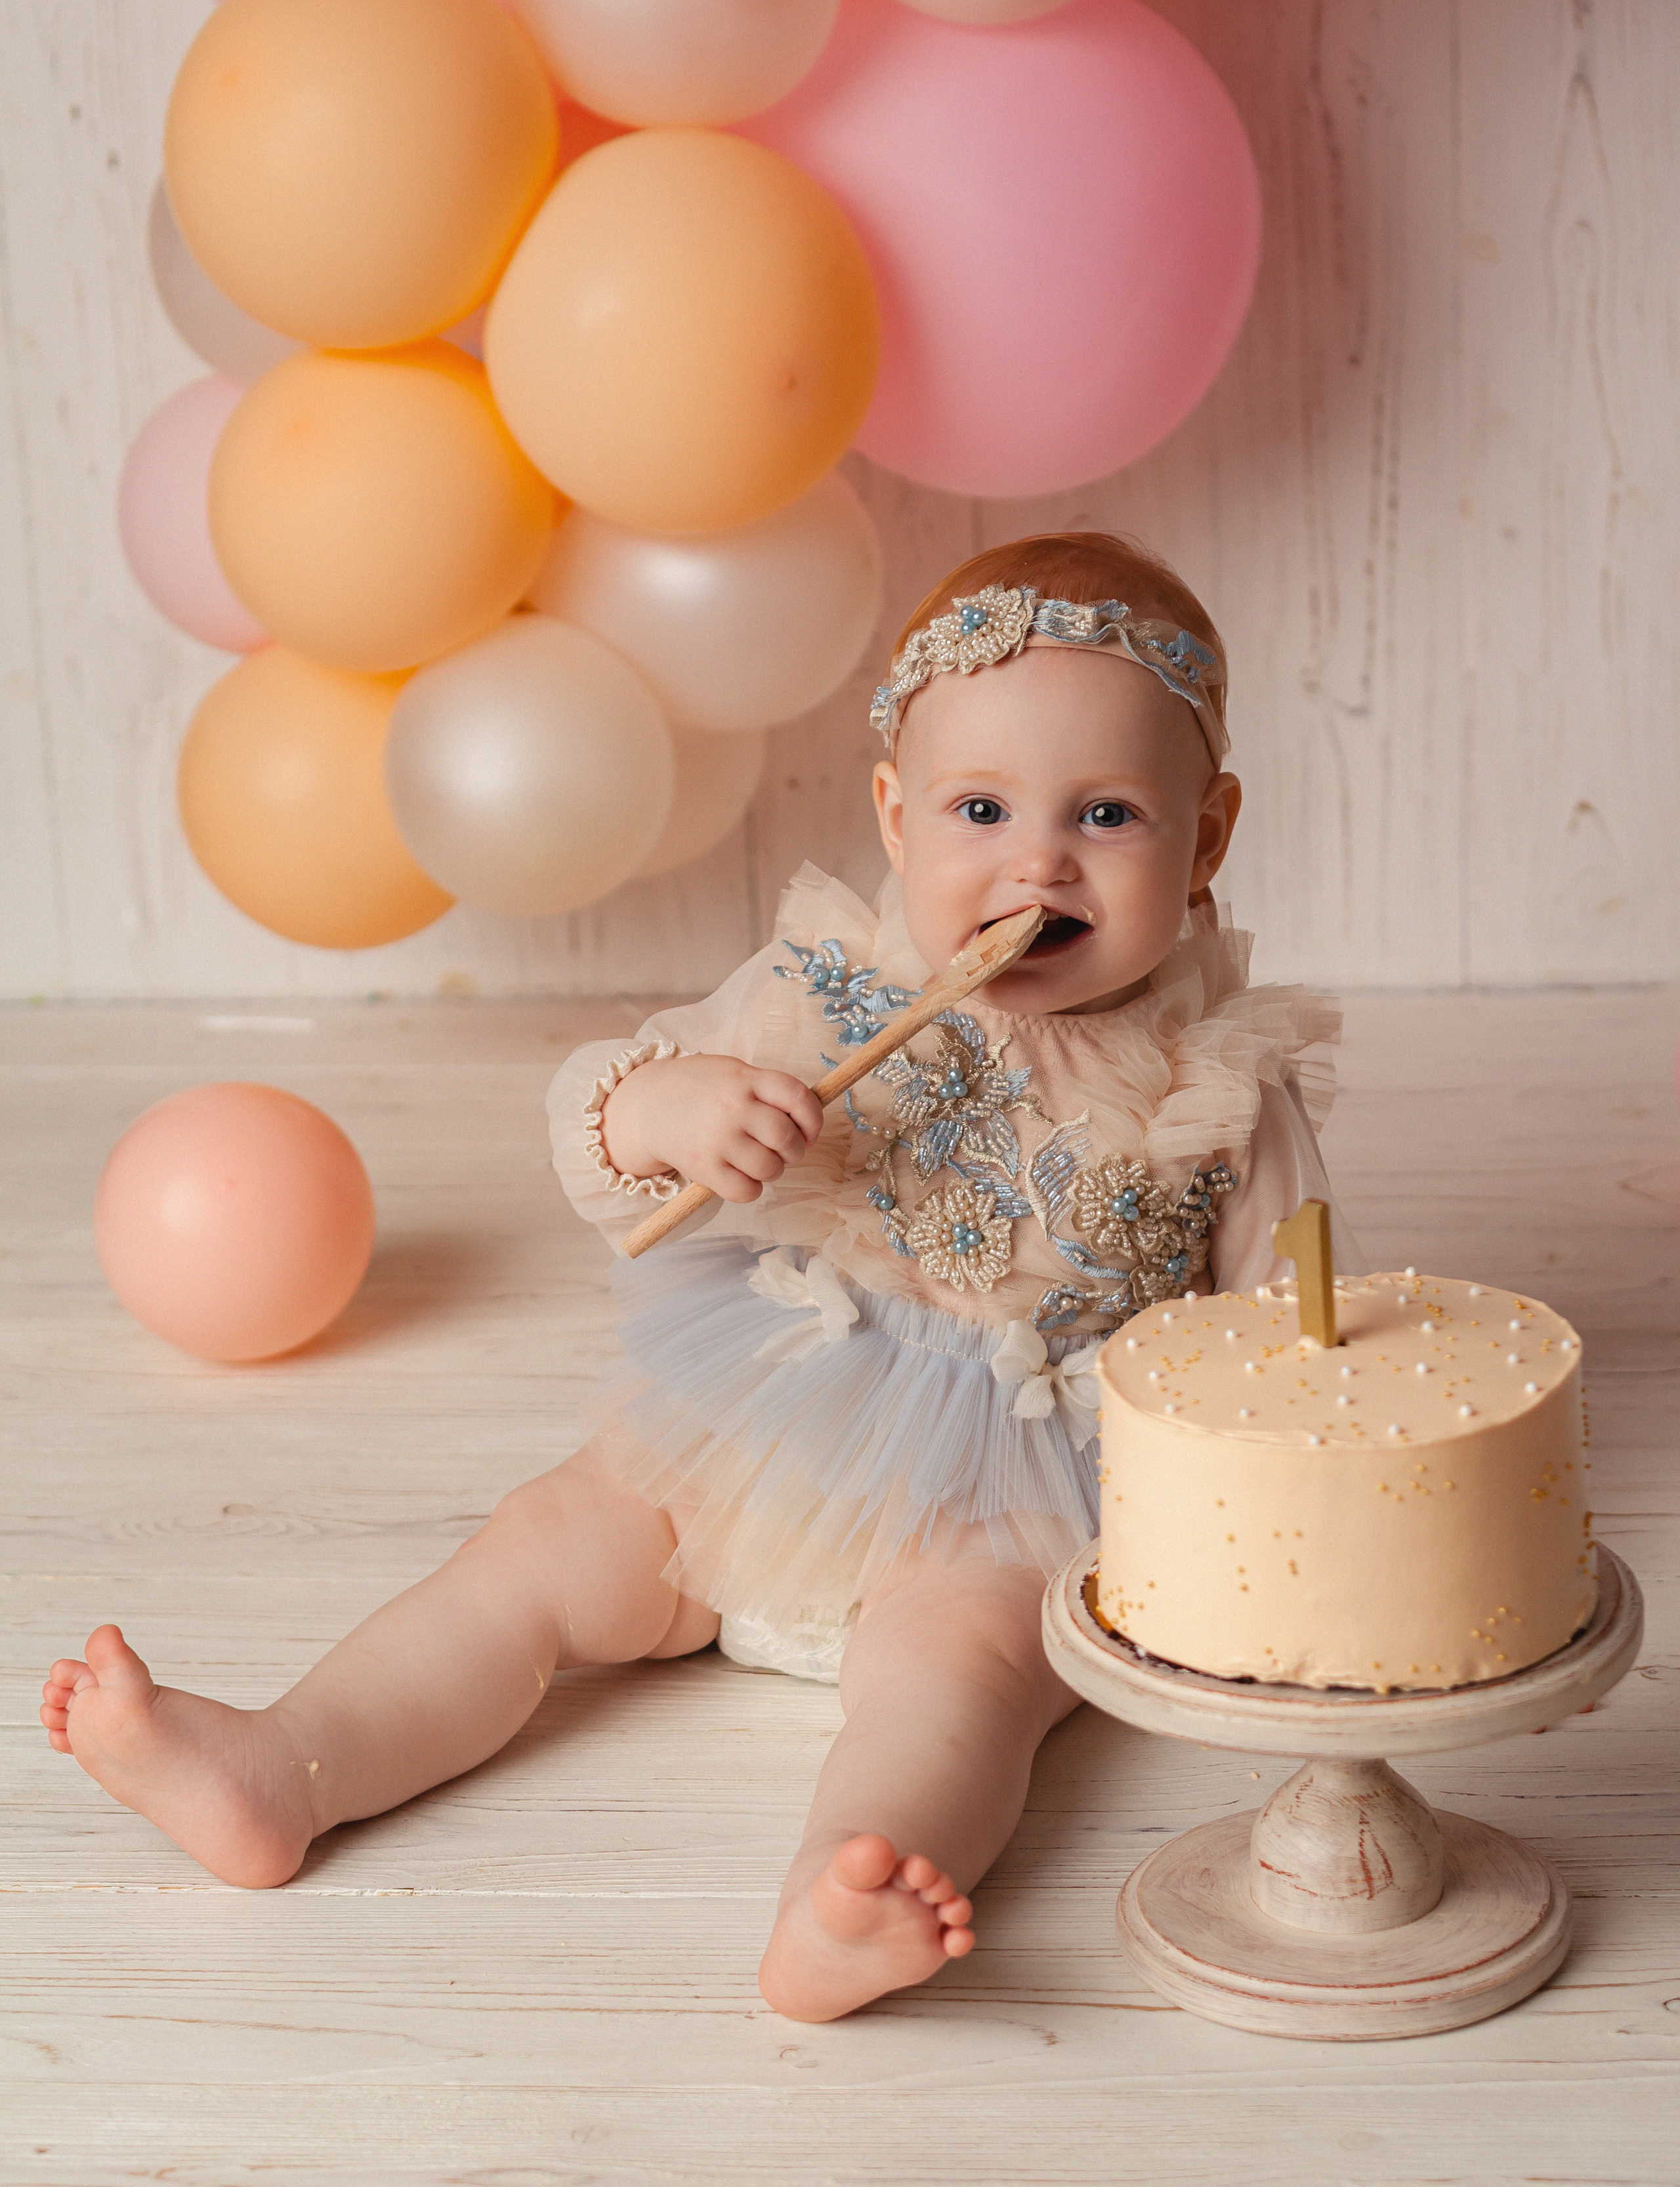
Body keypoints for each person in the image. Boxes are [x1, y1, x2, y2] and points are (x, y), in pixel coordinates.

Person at [40, 530, 1356, 2022]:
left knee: (962, 1686)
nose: (1033, 862)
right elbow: (596, 1115)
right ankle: (286, 1764)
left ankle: (846, 1895)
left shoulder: (1214, 1082)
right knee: (546, 1546)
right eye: (977, 808)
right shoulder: (824, 990)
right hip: (778, 1400)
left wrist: (1296, 1466)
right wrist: (670, 1113)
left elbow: (1290, 1319)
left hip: (1023, 1473)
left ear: (1203, 839)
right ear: (892, 813)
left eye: (1104, 815)